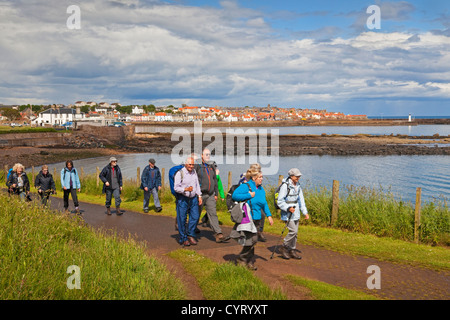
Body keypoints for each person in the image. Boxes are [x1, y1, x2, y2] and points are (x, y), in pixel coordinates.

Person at [231, 166, 274, 270]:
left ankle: (248, 261)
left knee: (252, 241)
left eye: (262, 177)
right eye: (260, 177)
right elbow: (234, 196)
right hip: (248, 218)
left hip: (257, 218)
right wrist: (248, 195)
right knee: (252, 240)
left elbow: (264, 203)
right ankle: (243, 259)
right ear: (254, 178)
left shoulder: (261, 189)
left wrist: (269, 216)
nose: (262, 179)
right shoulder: (246, 186)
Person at [195, 148, 228, 243]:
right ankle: (191, 230)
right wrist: (197, 194)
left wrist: (216, 193)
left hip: (210, 195)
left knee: (213, 214)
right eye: (206, 154)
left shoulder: (212, 166)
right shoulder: (197, 166)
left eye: (209, 155)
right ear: (202, 155)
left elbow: (215, 180)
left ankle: (219, 234)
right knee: (196, 214)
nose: (208, 156)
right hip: (200, 195)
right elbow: (193, 179)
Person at [276, 168, 309, 260]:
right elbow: (280, 201)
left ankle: (292, 250)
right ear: (291, 176)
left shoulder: (298, 186)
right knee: (293, 231)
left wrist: (305, 212)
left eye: (299, 176)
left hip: (296, 212)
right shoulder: (285, 186)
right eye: (296, 176)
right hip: (288, 213)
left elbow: (301, 200)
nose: (298, 177)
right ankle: (284, 247)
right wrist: (288, 208)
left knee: (296, 233)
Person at [174, 156, 202, 246]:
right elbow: (176, 188)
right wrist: (185, 189)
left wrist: (199, 195)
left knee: (195, 217)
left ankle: (190, 235)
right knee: (182, 219)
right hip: (183, 199)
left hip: (193, 198)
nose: (191, 166)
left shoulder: (194, 172)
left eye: (193, 164)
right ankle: (183, 238)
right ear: (186, 164)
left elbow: (197, 184)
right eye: (190, 164)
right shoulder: (180, 173)